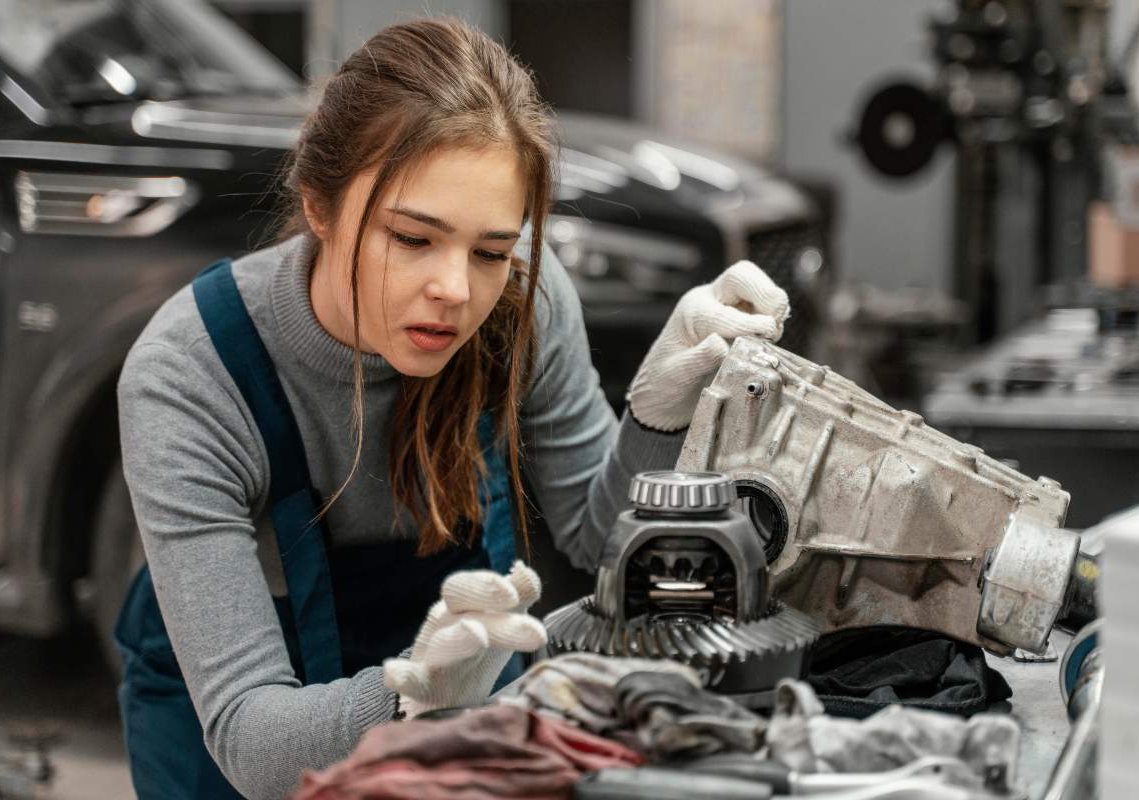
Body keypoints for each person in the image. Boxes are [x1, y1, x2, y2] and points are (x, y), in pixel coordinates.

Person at [113, 16, 790, 800]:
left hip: (466, 721)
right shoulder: (193, 374)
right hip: (240, 746)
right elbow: (254, 739)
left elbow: (601, 543)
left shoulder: (524, 305)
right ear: (320, 206)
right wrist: (413, 698)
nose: (457, 291)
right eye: (412, 238)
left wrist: (660, 414)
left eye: (492, 251)